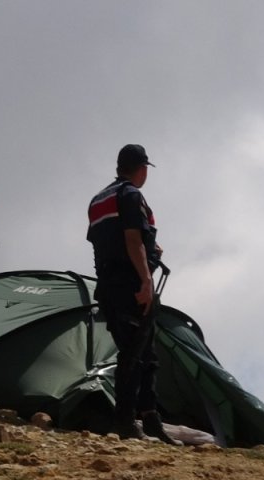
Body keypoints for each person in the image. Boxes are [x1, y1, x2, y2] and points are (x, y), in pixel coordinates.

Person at [86, 144, 181, 444]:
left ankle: (150, 419)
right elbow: (131, 239)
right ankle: (126, 421)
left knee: (145, 353)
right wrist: (145, 280)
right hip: (130, 284)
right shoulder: (130, 195)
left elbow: (106, 241)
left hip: (108, 284)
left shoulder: (98, 200)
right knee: (134, 354)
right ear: (141, 169)